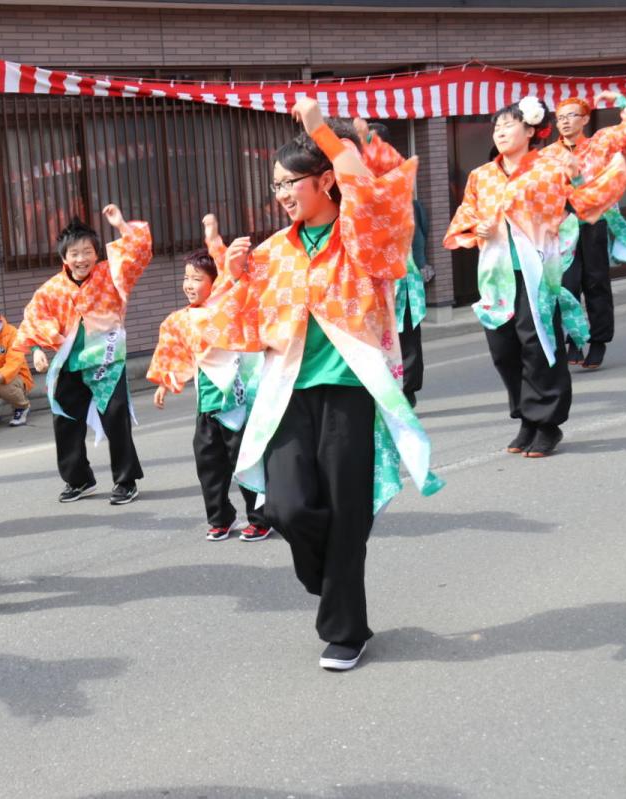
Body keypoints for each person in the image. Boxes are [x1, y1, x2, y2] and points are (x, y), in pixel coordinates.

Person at [205, 98, 442, 671]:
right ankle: (328, 580)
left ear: (326, 181)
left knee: (346, 511)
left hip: (350, 392)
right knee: (285, 508)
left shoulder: (361, 235)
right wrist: (231, 276)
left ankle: (346, 629)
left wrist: (322, 132)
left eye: (292, 182)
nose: (283, 194)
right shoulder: (269, 253)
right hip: (286, 395)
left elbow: (377, 197)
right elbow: (233, 327)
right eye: (276, 186)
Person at [445, 95, 626, 457]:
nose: (500, 131)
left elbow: (582, 199)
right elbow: (463, 217)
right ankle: (526, 417)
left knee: (539, 345)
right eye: (497, 126)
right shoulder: (481, 176)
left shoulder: (548, 168)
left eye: (509, 124)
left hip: (539, 272)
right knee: (503, 349)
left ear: (531, 130)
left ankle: (546, 423)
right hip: (497, 274)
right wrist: (476, 231)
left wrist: (576, 173)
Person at [16, 207, 152, 505]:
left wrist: (121, 224)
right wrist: (38, 349)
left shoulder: (110, 274)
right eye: (75, 253)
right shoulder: (51, 289)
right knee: (65, 420)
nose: (82, 259)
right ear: (64, 258)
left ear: (96, 253)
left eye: (87, 251)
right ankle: (78, 479)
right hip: (70, 363)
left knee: (116, 416)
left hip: (106, 360)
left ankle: (126, 480)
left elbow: (138, 253)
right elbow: (35, 318)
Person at [147, 226, 270, 543]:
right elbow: (173, 353)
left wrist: (215, 238)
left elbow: (236, 283)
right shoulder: (180, 319)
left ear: (214, 283)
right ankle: (220, 517)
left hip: (233, 401)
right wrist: (164, 381)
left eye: (197, 278)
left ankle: (260, 517)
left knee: (244, 461)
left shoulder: (227, 307)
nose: (189, 284)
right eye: (186, 278)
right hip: (206, 406)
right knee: (209, 465)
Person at [545, 95, 626, 369]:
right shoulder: (550, 155)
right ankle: (575, 337)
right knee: (567, 284)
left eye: (572, 116)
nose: (565, 122)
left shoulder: (601, 142)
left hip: (595, 221)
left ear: (585, 119)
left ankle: (598, 341)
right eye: (560, 117)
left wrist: (620, 100)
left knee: (596, 281)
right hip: (564, 226)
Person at [360, 120, 427, 406]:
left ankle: (407, 392)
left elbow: (419, 236)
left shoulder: (401, 193)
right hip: (372, 279)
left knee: (407, 334)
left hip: (403, 275)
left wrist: (422, 266)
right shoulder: (358, 193)